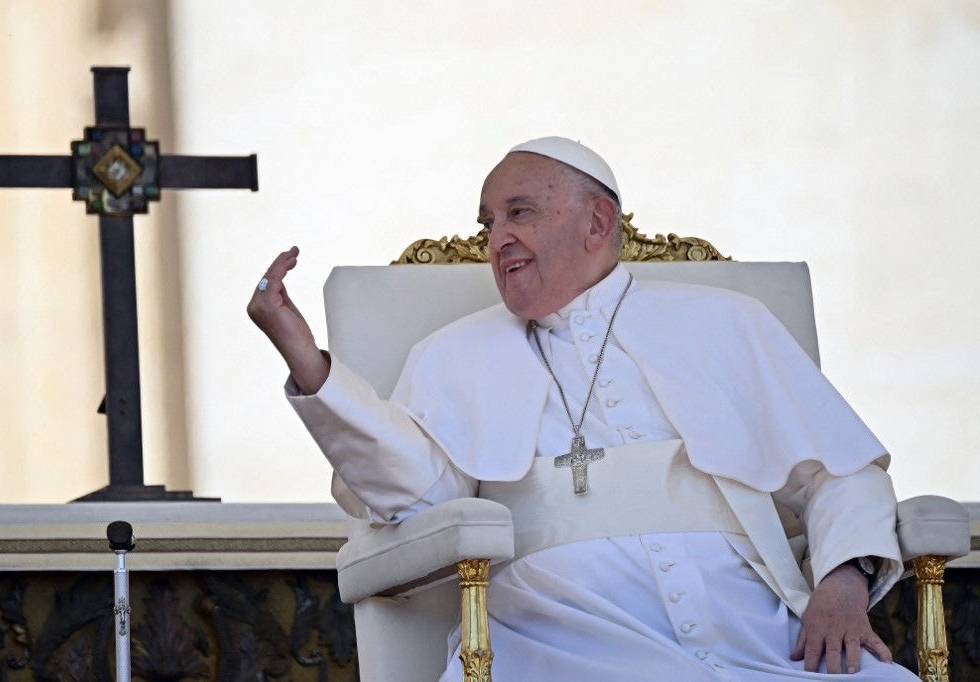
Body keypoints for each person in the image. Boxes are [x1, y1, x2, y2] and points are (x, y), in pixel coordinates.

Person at [248, 137, 918, 680]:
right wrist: (309, 362)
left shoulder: (726, 323)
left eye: (519, 213)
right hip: (554, 642)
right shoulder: (450, 355)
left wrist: (841, 583)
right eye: (488, 224)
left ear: (598, 222)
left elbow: (842, 470)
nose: (497, 239)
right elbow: (414, 496)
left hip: (755, 633)